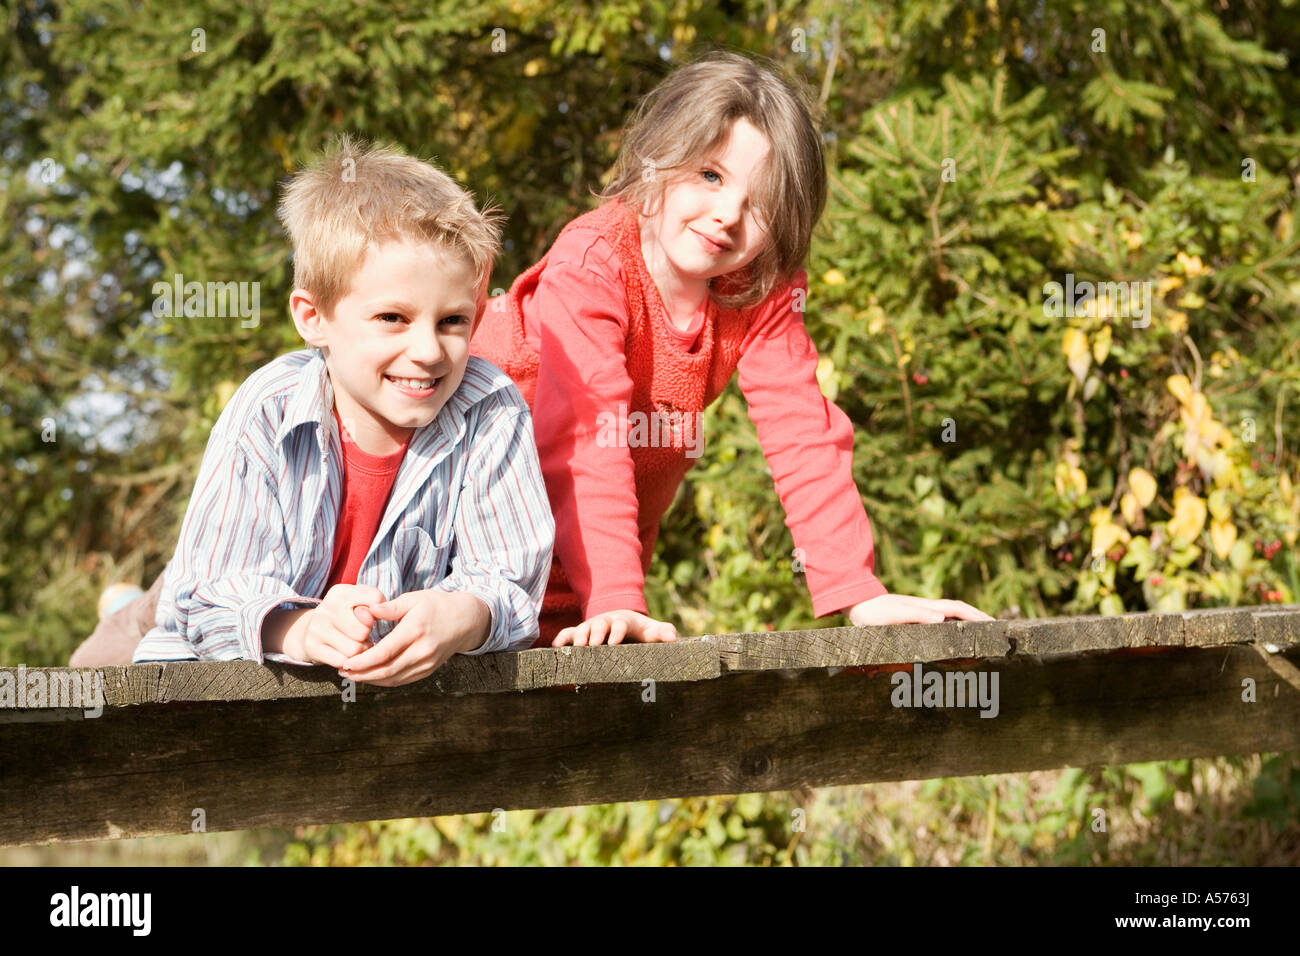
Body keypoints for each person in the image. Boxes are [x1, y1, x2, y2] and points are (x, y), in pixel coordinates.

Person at [472, 49, 992, 647]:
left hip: (588, 570)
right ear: (657, 157)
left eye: (761, 203)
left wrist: (857, 589)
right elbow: (592, 435)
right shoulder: (592, 266)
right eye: (711, 176)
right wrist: (615, 591)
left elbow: (801, 428)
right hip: (477, 547)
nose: (727, 216)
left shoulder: (757, 287)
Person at [76, 137, 554, 687]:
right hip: (221, 592)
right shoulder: (268, 408)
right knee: (109, 667)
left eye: (452, 321)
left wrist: (467, 614)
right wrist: (297, 630)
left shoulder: (490, 408)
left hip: (361, 651)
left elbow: (510, 577)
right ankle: (122, 608)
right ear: (313, 317)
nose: (428, 350)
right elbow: (203, 597)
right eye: (393, 318)